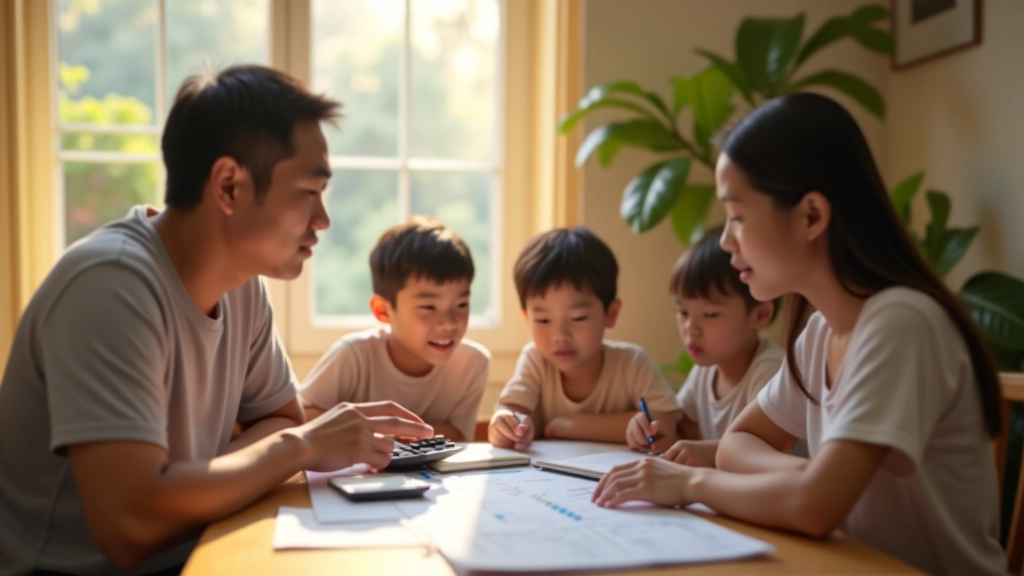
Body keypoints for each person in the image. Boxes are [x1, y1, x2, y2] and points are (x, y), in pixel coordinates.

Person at [0, 65, 433, 576]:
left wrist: (179, 482)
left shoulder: (243, 285)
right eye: (309, 192)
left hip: (191, 552)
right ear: (228, 186)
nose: (323, 220)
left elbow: (279, 420)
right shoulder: (109, 285)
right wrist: (302, 447)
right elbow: (130, 528)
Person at [592, 92, 1006, 575]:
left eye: (738, 216)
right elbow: (736, 443)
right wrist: (810, 476)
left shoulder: (900, 323)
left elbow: (813, 509)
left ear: (811, 215)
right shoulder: (819, 334)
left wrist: (689, 484)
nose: (726, 240)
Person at [299, 216, 490, 442]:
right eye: (428, 307)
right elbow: (305, 417)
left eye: (461, 305)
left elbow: (457, 436)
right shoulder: (353, 355)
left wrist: (376, 431)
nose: (448, 322)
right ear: (383, 310)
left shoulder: (473, 363)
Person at [488, 226, 678, 450]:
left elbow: (665, 425)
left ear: (610, 313)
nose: (560, 336)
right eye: (542, 320)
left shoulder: (632, 363)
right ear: (526, 317)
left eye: (578, 318)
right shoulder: (535, 360)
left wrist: (569, 426)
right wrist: (506, 426)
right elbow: (509, 410)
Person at [625, 229, 782, 464]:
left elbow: (764, 452)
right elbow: (681, 425)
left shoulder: (771, 370)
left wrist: (706, 453)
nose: (691, 328)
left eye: (709, 314)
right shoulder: (707, 369)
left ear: (760, 315)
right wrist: (651, 429)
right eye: (683, 312)